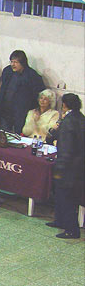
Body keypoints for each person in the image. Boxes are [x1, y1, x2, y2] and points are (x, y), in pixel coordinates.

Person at [47, 94, 84, 239]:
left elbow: (67, 148)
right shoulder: (80, 118)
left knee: (66, 197)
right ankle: (60, 220)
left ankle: (71, 229)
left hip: (68, 167)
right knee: (63, 195)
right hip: (78, 165)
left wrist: (61, 167)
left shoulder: (68, 122)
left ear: (64, 105)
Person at [0, 50, 46, 134]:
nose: (13, 64)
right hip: (6, 111)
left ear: (23, 63)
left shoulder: (32, 76)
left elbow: (39, 94)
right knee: (3, 135)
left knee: (19, 136)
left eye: (16, 62)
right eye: (12, 62)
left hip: (22, 113)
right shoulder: (7, 71)